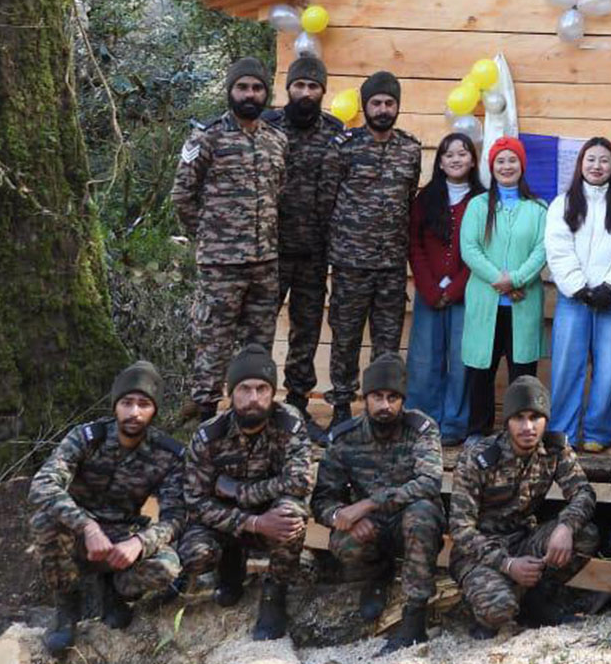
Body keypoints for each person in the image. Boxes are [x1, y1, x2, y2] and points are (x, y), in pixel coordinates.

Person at [29, 362, 185, 656]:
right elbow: (42, 485)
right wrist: (87, 526)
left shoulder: (167, 454)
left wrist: (139, 543)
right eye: (127, 403)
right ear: (115, 406)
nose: (134, 412)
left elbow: (176, 517)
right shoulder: (87, 438)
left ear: (154, 410)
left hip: (122, 537)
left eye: (144, 404)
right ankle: (66, 608)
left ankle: (114, 591)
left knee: (167, 566)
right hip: (77, 534)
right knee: (45, 522)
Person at [171, 56, 288, 423]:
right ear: (230, 91)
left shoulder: (276, 140)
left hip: (264, 262)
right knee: (214, 341)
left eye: (257, 88)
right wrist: (210, 236)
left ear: (266, 93)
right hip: (221, 265)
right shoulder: (206, 137)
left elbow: (278, 192)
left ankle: (254, 414)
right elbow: (182, 195)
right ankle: (205, 416)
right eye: (242, 87)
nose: (249, 94)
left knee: (259, 344)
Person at [310, 353, 444, 653]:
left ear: (403, 400)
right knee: (343, 542)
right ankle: (376, 575)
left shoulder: (421, 429)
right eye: (377, 397)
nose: (385, 405)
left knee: (422, 514)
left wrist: (369, 504)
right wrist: (342, 516)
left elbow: (429, 482)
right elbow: (321, 499)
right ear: (365, 398)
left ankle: (415, 615)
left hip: (410, 520)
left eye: (393, 397)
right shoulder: (345, 437)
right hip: (371, 527)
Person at [449, 377, 599, 637]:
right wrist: (507, 565)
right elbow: (460, 529)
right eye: (519, 418)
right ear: (507, 421)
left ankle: (537, 599)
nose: (528, 427)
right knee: (499, 610)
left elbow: (584, 492)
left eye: (535, 417)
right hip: (479, 553)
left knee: (585, 534)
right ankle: (480, 602)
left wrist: (566, 526)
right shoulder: (478, 458)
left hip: (523, 540)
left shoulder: (555, 449)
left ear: (546, 420)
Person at [180, 345, 311, 641]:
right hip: (227, 522)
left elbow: (300, 482)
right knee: (194, 553)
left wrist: (240, 490)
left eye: (262, 389)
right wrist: (252, 522)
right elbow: (196, 501)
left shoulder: (288, 424)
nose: (254, 398)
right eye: (245, 389)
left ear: (273, 392)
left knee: (292, 514)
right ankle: (229, 568)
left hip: (271, 517)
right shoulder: (209, 436)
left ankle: (275, 593)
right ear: (230, 393)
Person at [322, 71, 424, 427]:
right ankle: (340, 408)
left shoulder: (410, 149)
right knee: (345, 339)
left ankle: (383, 410)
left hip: (391, 266)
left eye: (389, 103)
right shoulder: (344, 147)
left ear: (398, 107)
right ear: (365, 106)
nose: (383, 109)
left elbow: (407, 199)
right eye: (376, 103)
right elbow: (327, 200)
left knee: (387, 344)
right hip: (350, 263)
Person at [546, 136, 611, 453]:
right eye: (591, 159)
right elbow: (558, 248)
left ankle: (598, 433)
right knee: (566, 367)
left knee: (607, 369)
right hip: (573, 300)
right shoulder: (562, 204)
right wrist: (578, 286)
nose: (597, 166)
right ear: (581, 164)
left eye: (604, 160)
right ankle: (562, 431)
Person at [262, 54, 344, 439]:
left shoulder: (336, 132)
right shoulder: (267, 127)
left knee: (306, 332)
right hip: (270, 253)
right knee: (260, 332)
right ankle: (259, 408)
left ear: (322, 91)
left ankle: (297, 407)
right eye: (300, 85)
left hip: (314, 253)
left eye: (313, 86)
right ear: (288, 88)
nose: (306, 92)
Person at [460, 136, 548, 435]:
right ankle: (478, 432)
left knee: (522, 374)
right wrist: (501, 280)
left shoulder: (538, 208)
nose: (506, 166)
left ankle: (520, 434)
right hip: (486, 302)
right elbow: (470, 248)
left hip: (523, 303)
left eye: (512, 160)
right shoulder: (477, 206)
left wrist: (517, 279)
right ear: (491, 166)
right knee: (480, 371)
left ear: (522, 165)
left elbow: (542, 250)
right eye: (500, 161)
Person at [407, 132, 484, 445]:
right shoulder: (425, 199)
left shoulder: (482, 200)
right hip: (428, 293)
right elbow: (415, 245)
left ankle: (454, 424)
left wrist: (454, 289)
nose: (456, 159)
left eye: (462, 153)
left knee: (461, 360)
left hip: (466, 293)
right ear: (440, 162)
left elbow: (482, 250)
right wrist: (429, 287)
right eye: (449, 154)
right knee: (425, 359)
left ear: (473, 160)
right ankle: (422, 422)